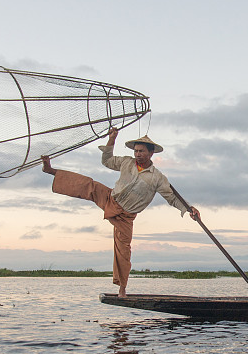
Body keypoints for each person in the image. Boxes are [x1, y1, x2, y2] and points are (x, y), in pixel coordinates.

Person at [41, 127, 200, 297]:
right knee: (89, 185)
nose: (137, 154)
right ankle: (51, 170)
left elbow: (172, 198)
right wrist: (112, 139)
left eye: (141, 151)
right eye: (136, 151)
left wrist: (189, 209)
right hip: (111, 198)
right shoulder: (127, 162)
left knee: (123, 250)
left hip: (126, 216)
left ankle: (122, 288)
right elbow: (107, 160)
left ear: (151, 153)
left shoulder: (157, 178)